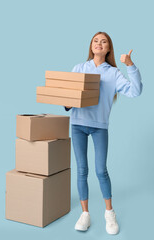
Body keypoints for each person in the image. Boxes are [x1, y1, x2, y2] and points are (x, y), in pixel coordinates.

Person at [64, 31, 143, 234]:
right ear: (91, 46)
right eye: (95, 41)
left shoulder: (113, 73)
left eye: (104, 41)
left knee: (101, 170)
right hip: (78, 124)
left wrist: (130, 65)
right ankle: (85, 214)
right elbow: (67, 98)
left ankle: (109, 213)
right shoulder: (79, 68)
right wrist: (66, 102)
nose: (99, 43)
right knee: (82, 170)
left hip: (99, 126)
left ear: (108, 49)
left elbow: (135, 91)